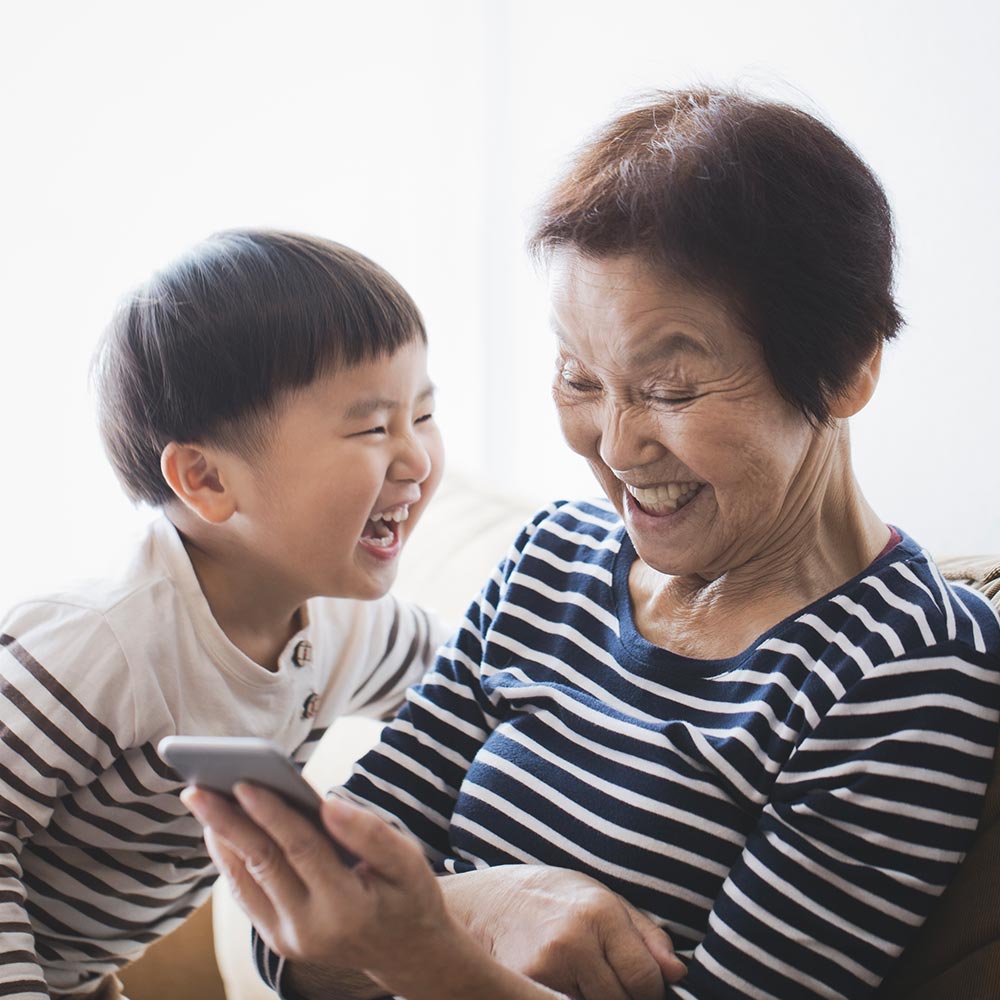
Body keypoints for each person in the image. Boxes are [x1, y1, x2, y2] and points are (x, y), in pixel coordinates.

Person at [184, 89, 1000, 1000]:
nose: (613, 447)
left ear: (847, 367)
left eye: (673, 389)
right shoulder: (552, 564)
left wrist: (429, 952)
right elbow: (291, 933)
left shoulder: (906, 670)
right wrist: (491, 908)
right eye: (578, 376)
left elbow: (357, 923)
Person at [0, 229, 448, 999]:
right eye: (374, 427)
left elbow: (474, 681)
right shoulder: (109, 640)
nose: (416, 460)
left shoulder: (350, 628)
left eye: (424, 415)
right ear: (206, 479)